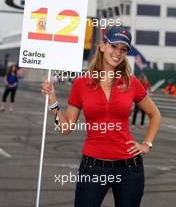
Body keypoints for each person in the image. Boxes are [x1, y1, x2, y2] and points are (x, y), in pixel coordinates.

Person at [41, 26, 161, 207]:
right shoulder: (81, 83)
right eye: (114, 46)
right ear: (102, 46)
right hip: (93, 168)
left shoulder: (131, 82)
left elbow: (155, 114)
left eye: (123, 49)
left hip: (129, 169)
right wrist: (53, 102)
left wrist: (147, 144)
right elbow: (65, 128)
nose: (118, 53)